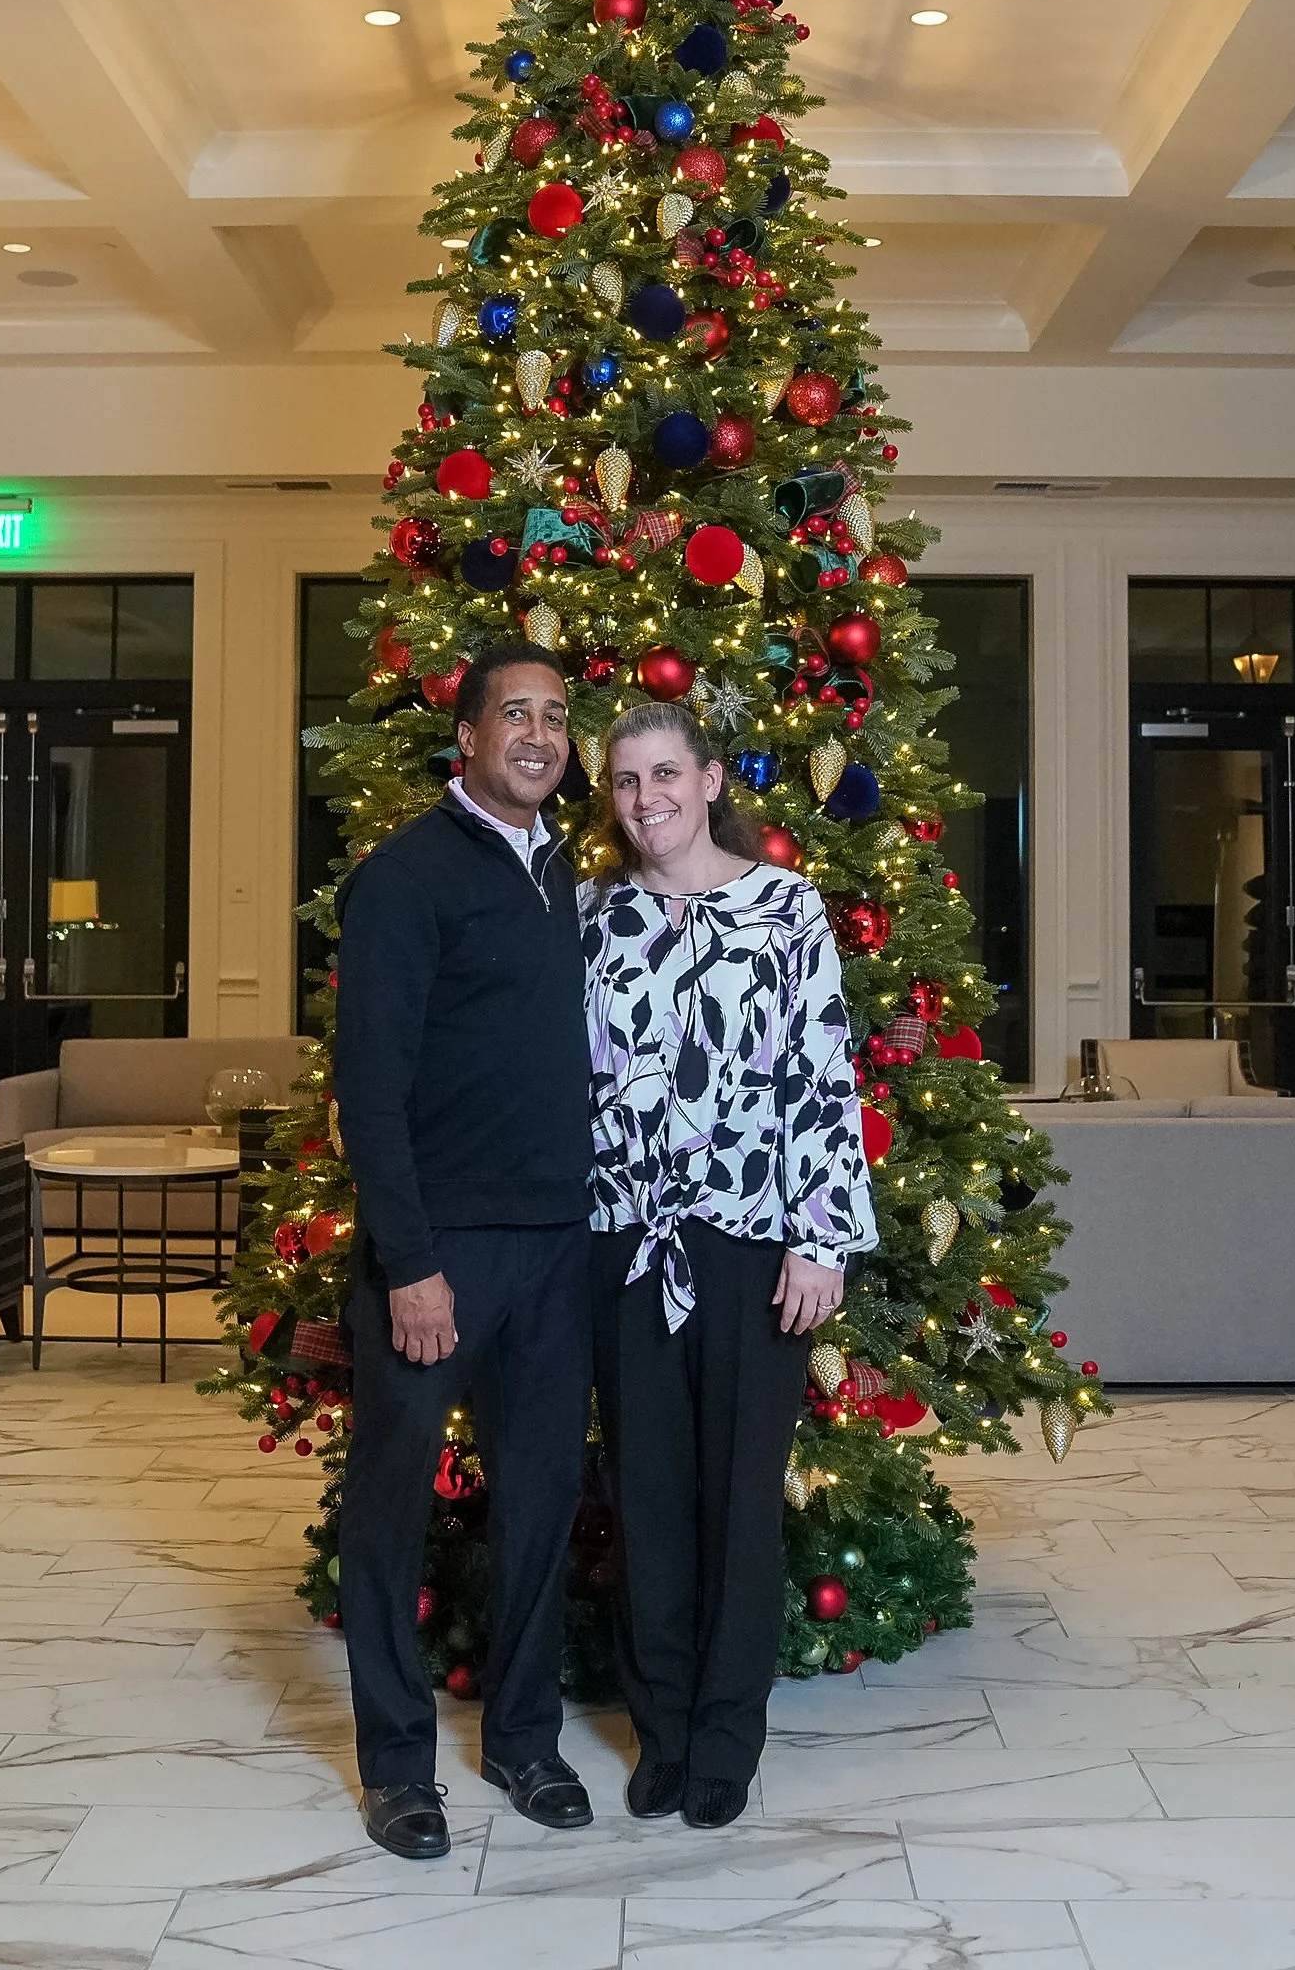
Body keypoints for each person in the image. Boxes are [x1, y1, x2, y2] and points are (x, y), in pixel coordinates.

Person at [581, 701, 879, 1829]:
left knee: (736, 1501)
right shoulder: (591, 915)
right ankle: (661, 1729)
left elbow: (821, 1076)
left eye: (664, 772)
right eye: (623, 780)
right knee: (646, 1500)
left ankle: (724, 1735)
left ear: (708, 779)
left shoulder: (786, 905)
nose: (645, 796)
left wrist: (820, 1234)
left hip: (753, 1244)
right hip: (623, 1241)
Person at [332, 642, 596, 1862]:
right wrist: (411, 1260)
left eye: (556, 715)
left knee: (538, 1503)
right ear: (470, 734)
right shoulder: (405, 877)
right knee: (388, 1506)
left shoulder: (563, 872)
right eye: (516, 714)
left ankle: (526, 1739)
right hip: (439, 1254)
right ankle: (396, 1764)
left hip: (557, 1247)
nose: (538, 733)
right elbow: (371, 1091)